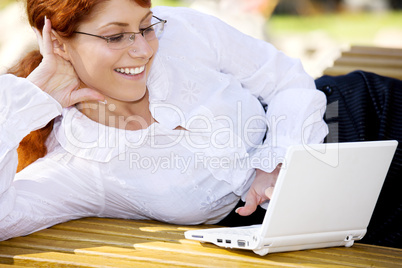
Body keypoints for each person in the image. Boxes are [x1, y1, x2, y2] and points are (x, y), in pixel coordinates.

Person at [1, 0, 400, 249]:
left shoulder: (182, 32)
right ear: (56, 42)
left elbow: (285, 79)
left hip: (359, 118)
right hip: (301, 225)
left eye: (144, 24)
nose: (142, 49)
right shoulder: (78, 166)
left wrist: (274, 160)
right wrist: (25, 102)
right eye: (115, 36)